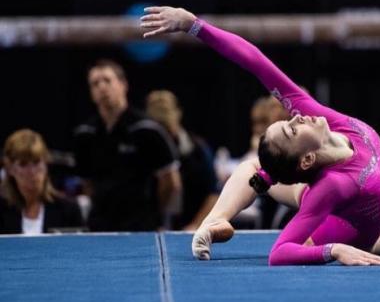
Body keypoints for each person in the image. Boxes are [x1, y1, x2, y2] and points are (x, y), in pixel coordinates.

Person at [141, 6, 380, 266]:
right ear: (307, 157)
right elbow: (279, 253)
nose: (297, 117)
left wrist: (193, 25)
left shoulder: (318, 117)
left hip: (373, 218)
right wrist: (334, 250)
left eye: (290, 120)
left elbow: (255, 61)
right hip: (358, 234)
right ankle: (211, 225)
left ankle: (231, 208)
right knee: (275, 189)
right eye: (292, 128)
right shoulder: (333, 185)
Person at [73, 59, 182, 232]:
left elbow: (171, 182)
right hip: (100, 226)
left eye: (107, 80)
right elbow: (87, 184)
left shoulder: (147, 130)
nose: (102, 87)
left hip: (141, 225)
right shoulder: (85, 134)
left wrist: (154, 215)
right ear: (91, 92)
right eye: (95, 83)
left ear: (123, 84)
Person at [146, 89, 219, 231]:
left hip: (191, 226)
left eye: (166, 111)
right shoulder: (143, 151)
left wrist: (195, 226)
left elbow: (214, 193)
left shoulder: (198, 149)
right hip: (151, 229)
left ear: (178, 113)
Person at [0, 129, 83, 234]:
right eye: (23, 164)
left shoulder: (68, 209)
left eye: (36, 162)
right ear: (9, 168)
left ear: (46, 163)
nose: (32, 171)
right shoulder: (2, 210)